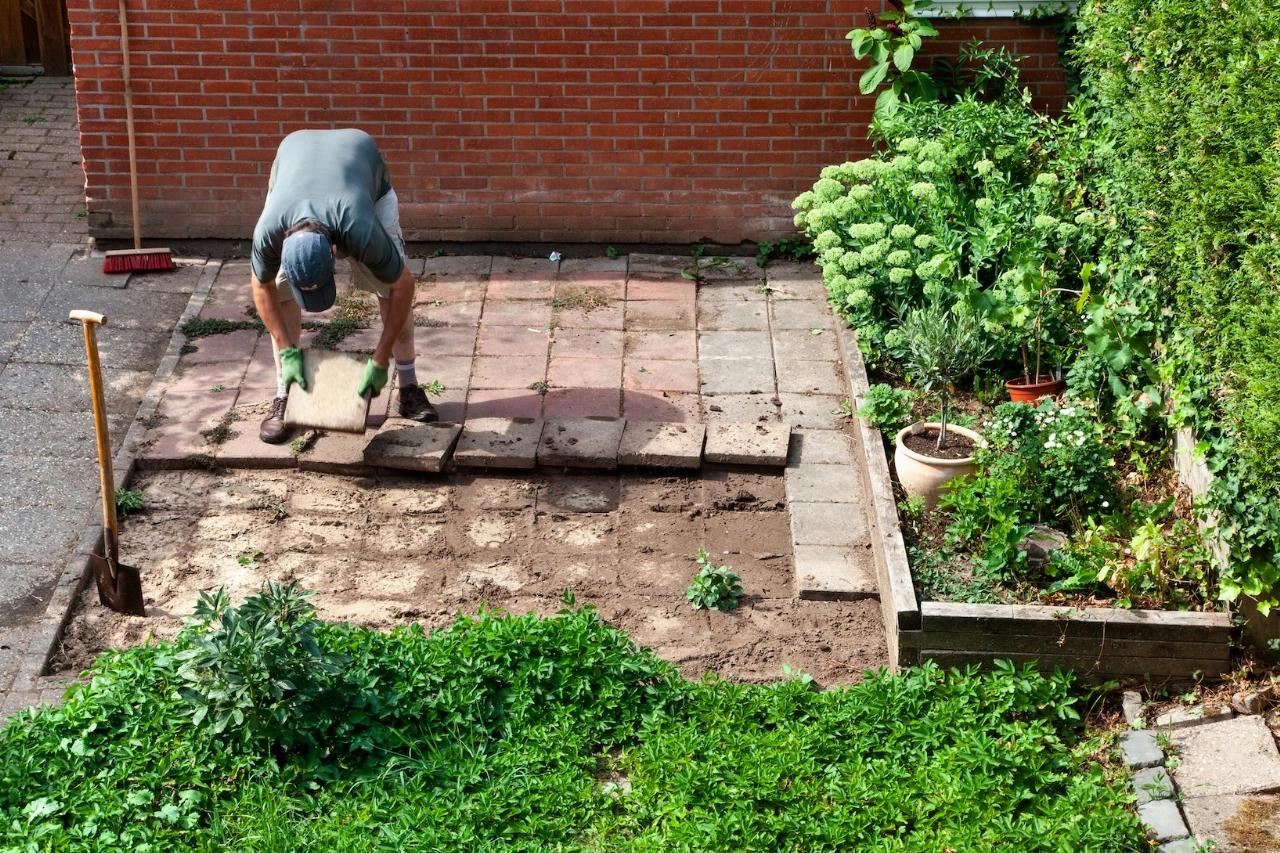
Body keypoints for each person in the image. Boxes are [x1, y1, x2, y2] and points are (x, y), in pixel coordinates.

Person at [249, 128, 437, 444]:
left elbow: (403, 287)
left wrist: (380, 359)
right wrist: (287, 350)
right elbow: (261, 287)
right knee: (279, 291)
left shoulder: (360, 228)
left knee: (388, 288)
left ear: (336, 251)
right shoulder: (269, 231)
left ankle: (408, 386)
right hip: (292, 167)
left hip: (363, 177)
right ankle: (285, 392)